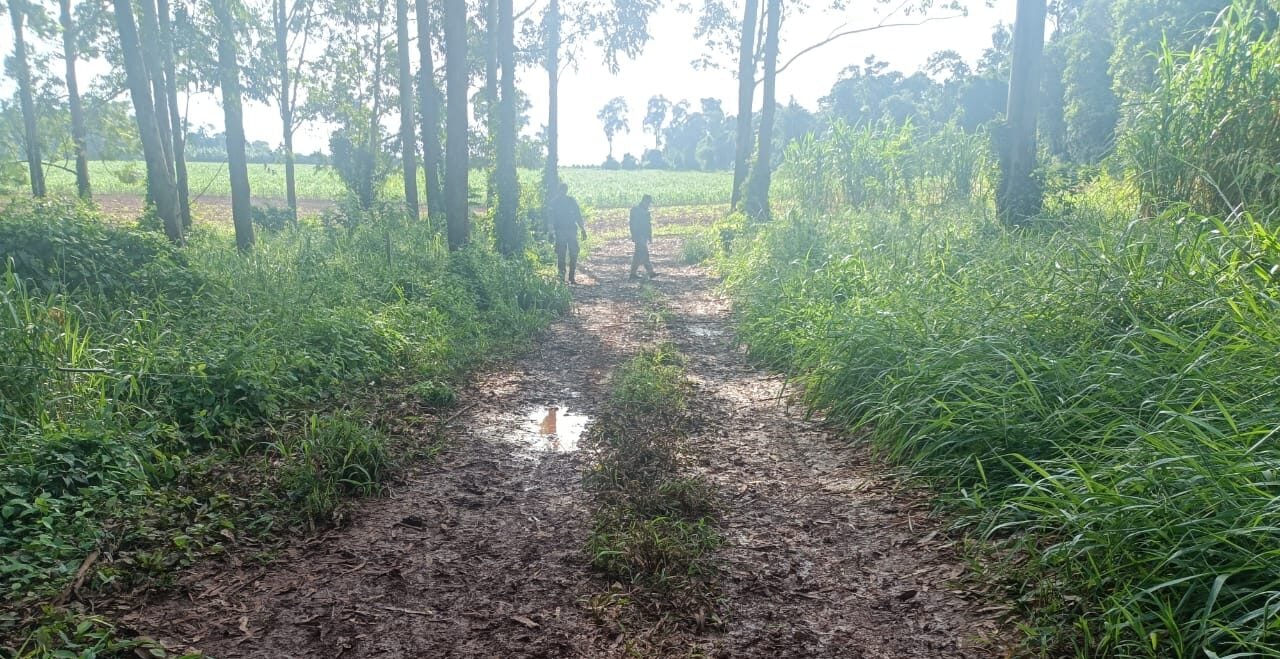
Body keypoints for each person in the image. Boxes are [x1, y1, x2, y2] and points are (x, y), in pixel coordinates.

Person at [548, 182, 586, 284]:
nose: (563, 192)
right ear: (559, 190)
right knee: (561, 254)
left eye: (564, 190)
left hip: (571, 231)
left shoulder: (571, 201)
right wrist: (551, 232)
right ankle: (561, 277)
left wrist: (583, 229)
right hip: (560, 231)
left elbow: (578, 216)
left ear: (566, 190)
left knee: (573, 253)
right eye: (562, 190)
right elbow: (551, 219)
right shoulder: (554, 203)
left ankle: (571, 277)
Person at [629, 194, 657, 280]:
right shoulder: (636, 210)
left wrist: (650, 236)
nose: (649, 205)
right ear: (644, 201)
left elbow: (648, 226)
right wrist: (634, 235)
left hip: (644, 236)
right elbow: (632, 224)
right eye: (648, 203)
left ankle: (633, 274)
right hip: (639, 235)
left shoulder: (646, 212)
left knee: (638, 255)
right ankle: (650, 272)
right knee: (644, 253)